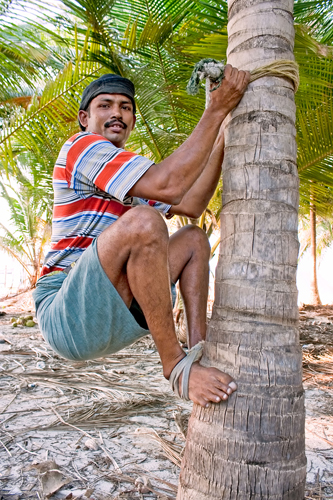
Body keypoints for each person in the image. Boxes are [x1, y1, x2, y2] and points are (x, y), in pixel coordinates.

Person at [33, 66, 250, 408]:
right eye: (105, 105)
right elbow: (170, 185)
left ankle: (199, 351)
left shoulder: (128, 179)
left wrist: (222, 135)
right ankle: (175, 366)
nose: (117, 112)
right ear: (83, 118)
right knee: (145, 222)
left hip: (112, 308)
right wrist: (216, 109)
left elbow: (191, 203)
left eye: (126, 107)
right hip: (65, 312)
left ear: (132, 120)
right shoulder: (81, 147)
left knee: (193, 238)